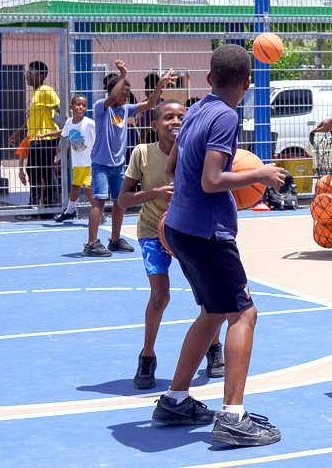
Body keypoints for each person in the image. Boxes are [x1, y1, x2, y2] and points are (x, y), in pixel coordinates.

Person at [152, 44, 288, 447]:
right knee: (244, 314)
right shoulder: (227, 117)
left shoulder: (195, 109)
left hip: (179, 226)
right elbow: (212, 179)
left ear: (210, 79)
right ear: (248, 83)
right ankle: (232, 415)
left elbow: (174, 168)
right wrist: (258, 173)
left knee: (212, 311)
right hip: (207, 232)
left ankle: (175, 399)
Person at [117, 99, 224, 390]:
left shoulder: (198, 152)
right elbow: (123, 199)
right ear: (154, 125)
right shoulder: (142, 153)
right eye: (167, 117)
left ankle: (214, 349)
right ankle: (147, 355)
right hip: (153, 231)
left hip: (190, 231)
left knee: (207, 295)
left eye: (181, 116)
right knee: (160, 296)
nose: (175, 121)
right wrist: (153, 193)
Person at [83, 60, 174, 257]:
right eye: (124, 92)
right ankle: (91, 243)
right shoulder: (102, 108)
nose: (126, 95)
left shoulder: (125, 110)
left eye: (127, 92)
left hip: (118, 165)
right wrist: (122, 75)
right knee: (98, 202)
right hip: (101, 164)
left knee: (119, 202)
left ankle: (114, 240)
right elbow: (114, 95)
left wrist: (160, 84)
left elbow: (150, 104)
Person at [9, 61, 61, 214]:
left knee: (40, 170)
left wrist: (64, 129)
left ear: (42, 76)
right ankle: (45, 205)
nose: (28, 77)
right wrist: (18, 133)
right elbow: (31, 119)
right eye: (27, 74)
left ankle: (42, 205)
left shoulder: (46, 91)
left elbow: (59, 109)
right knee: (39, 170)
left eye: (31, 73)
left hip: (46, 138)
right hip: (35, 138)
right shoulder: (34, 94)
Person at [50, 95, 96, 223]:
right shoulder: (69, 123)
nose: (80, 107)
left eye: (83, 105)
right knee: (75, 187)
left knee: (87, 187)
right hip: (78, 163)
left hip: (89, 162)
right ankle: (70, 211)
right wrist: (44, 134)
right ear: (71, 106)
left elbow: (98, 140)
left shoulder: (89, 123)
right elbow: (63, 133)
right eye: (78, 104)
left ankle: (98, 210)